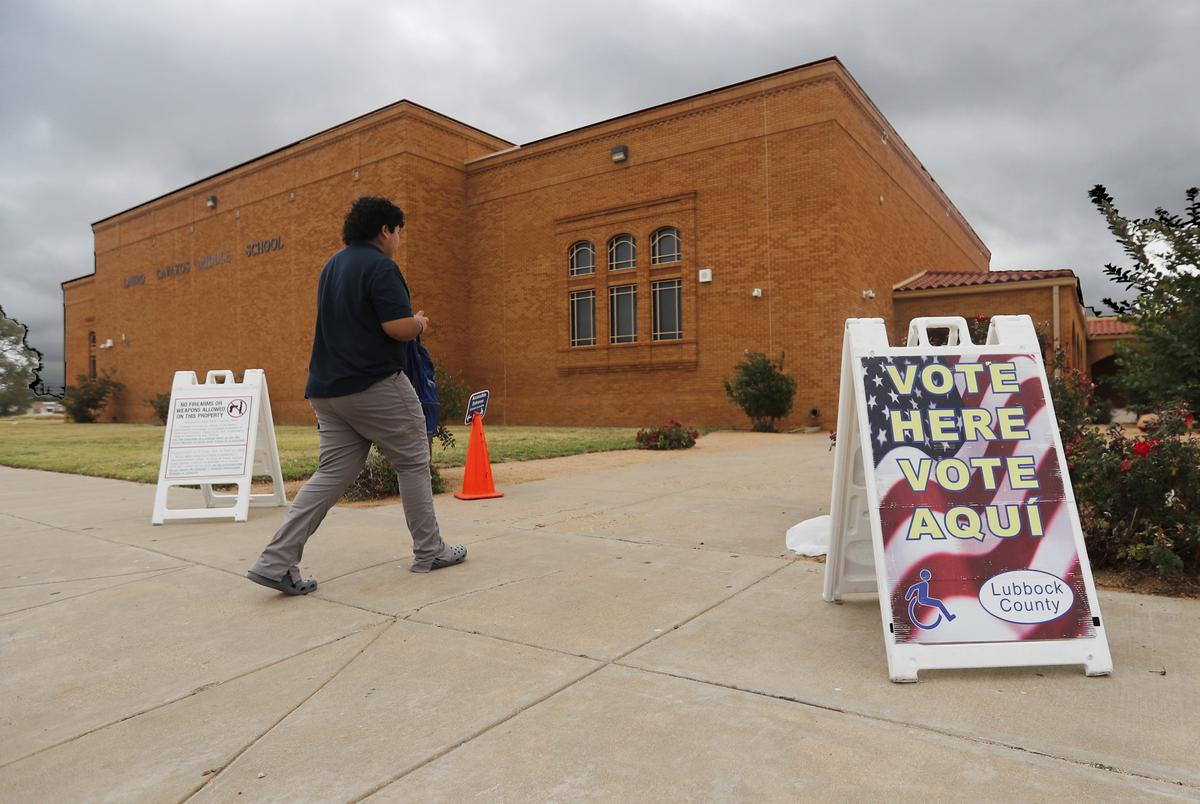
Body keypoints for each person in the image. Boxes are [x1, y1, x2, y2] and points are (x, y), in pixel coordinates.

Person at [247, 196, 466, 595]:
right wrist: (418, 323)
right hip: (374, 383)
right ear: (385, 230)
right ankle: (430, 550)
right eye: (398, 232)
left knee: (332, 473)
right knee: (414, 460)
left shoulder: (334, 264)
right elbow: (396, 328)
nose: (399, 240)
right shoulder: (381, 266)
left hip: (327, 390)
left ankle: (275, 561)